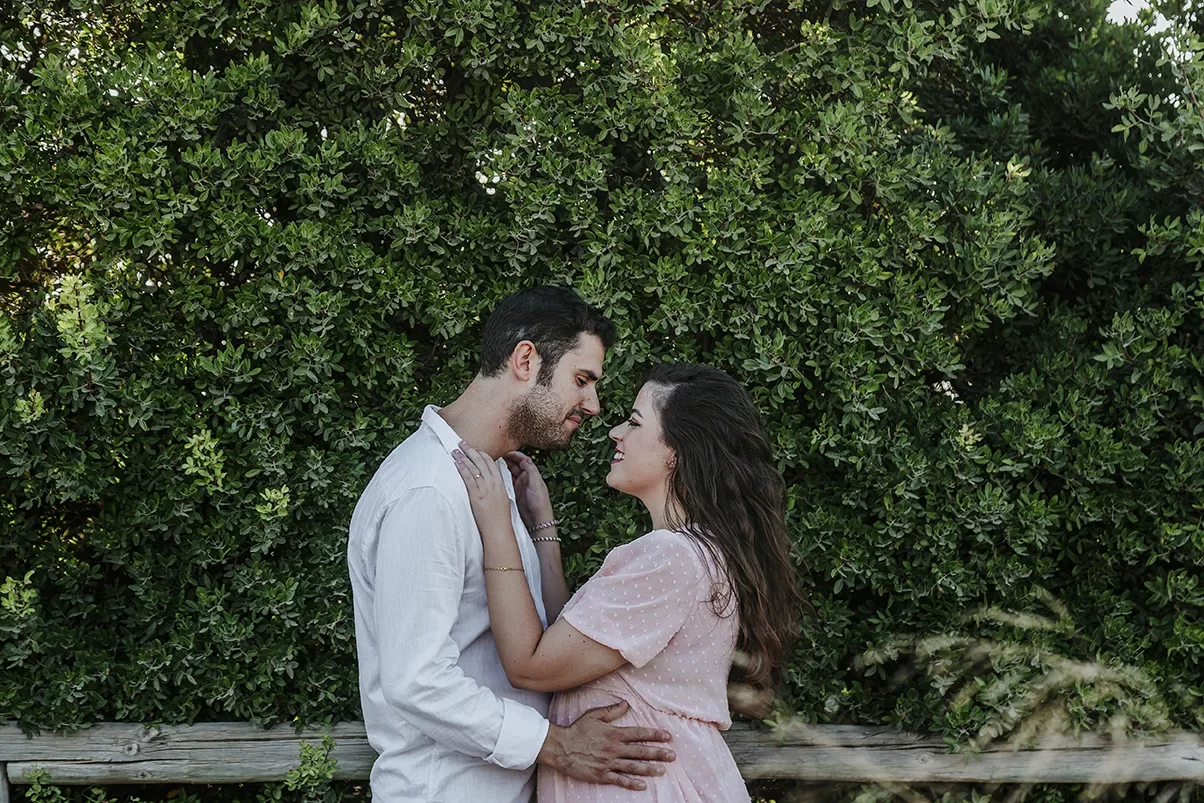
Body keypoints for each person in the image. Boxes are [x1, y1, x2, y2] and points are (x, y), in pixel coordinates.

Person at [347, 287, 676, 803]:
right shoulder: (428, 490)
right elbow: (415, 681)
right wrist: (557, 746)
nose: (592, 405)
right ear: (526, 359)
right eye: (582, 379)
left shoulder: (492, 477)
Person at [452, 362, 802, 802]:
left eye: (635, 423)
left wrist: (497, 526)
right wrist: (543, 527)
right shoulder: (696, 550)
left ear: (678, 451)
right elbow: (567, 643)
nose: (616, 432)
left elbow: (531, 665)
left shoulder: (670, 558)